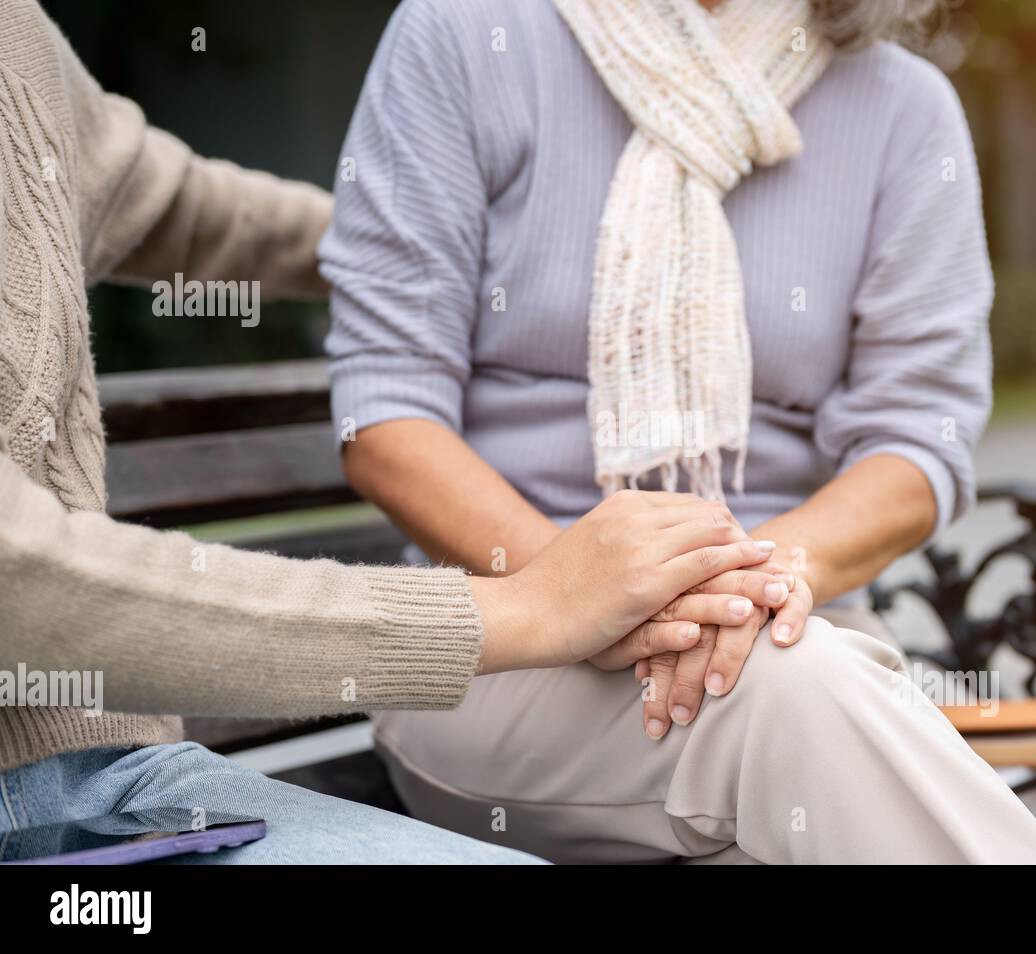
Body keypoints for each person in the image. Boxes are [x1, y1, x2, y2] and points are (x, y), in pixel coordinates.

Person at [0, 0, 787, 864]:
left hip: (118, 777)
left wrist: (428, 244)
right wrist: (526, 606)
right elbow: (24, 577)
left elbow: (179, 206)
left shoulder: (15, 35)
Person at [322, 0, 1036, 863]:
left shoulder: (903, 107)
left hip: (797, 625)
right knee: (805, 703)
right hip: (506, 650)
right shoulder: (466, 34)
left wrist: (753, 584)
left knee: (806, 712)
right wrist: (577, 592)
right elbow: (385, 413)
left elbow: (916, 442)